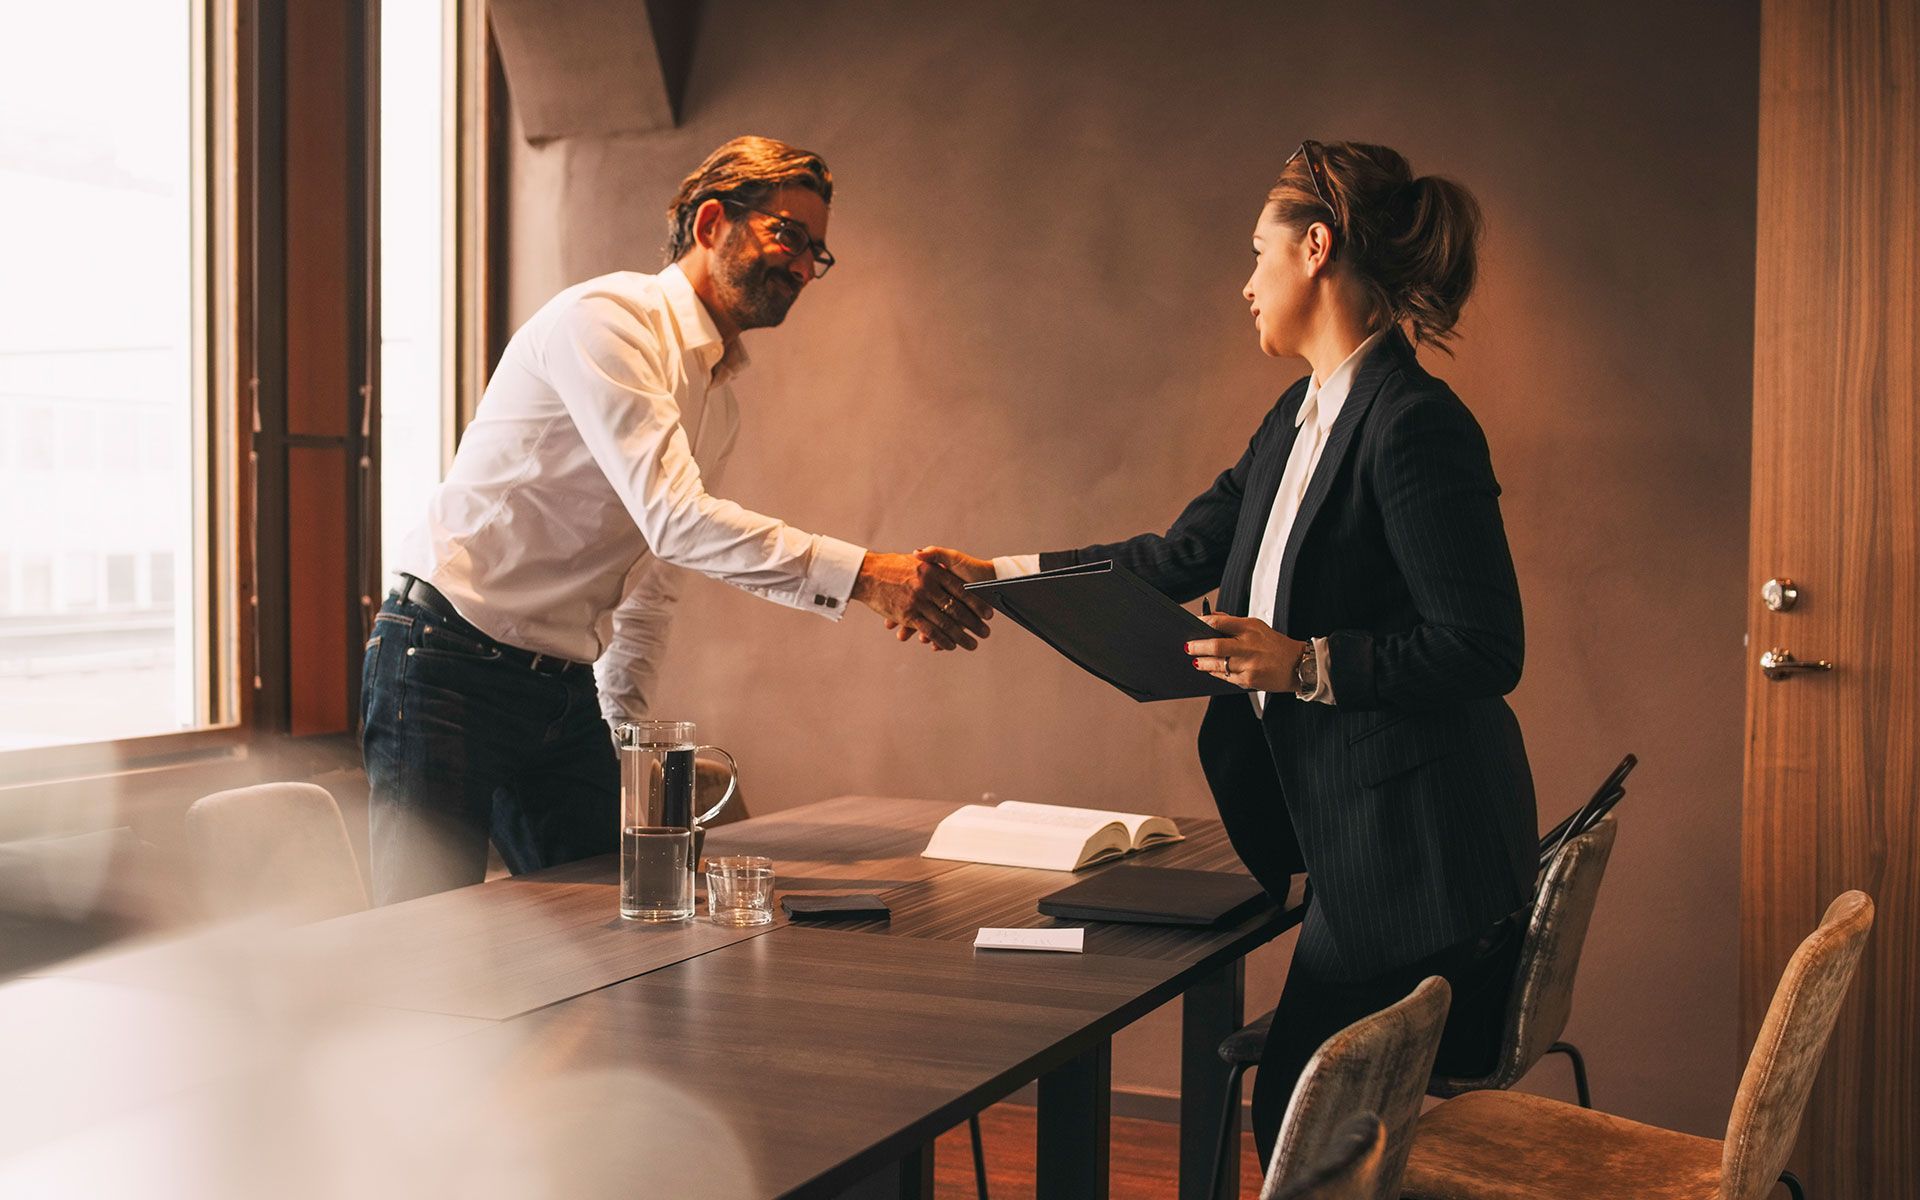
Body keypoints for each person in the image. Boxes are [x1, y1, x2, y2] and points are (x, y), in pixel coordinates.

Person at [917, 140, 1536, 1159]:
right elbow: (1176, 555)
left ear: (1317, 247)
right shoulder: (1297, 416)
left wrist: (1304, 666)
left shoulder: (1415, 423)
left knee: (1299, 1121)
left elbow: (1483, 647)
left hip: (1419, 855)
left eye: (1259, 252)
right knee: (1298, 1119)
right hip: (1347, 838)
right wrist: (995, 572)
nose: (1246, 282)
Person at [362, 135, 992, 906]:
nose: (802, 267)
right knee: (421, 941)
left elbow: (652, 583)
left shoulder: (715, 400)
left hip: (558, 689)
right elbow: (677, 522)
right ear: (710, 223)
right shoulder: (610, 322)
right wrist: (864, 574)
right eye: (788, 235)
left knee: (615, 923)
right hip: (444, 662)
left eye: (816, 253)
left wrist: (624, 739)